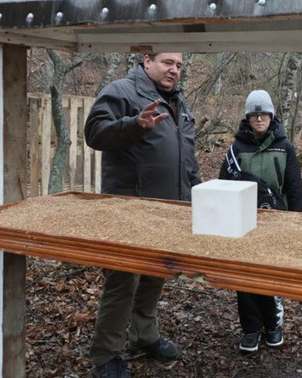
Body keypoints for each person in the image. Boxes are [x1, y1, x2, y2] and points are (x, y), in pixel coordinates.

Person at [84, 52, 201, 378]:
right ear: (147, 61)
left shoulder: (178, 102)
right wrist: (133, 124)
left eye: (179, 65)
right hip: (129, 210)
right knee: (123, 281)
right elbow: (94, 132)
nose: (174, 70)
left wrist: (197, 197)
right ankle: (106, 354)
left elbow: (187, 158)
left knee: (154, 275)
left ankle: (144, 335)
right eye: (167, 62)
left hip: (168, 211)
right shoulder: (122, 91)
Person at [218, 89, 302, 353]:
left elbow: (294, 187)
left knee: (270, 273)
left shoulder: (284, 146)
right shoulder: (237, 149)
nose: (259, 119)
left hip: (276, 221)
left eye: (264, 114)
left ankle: (273, 325)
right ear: (247, 117)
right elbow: (224, 185)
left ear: (271, 116)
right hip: (243, 221)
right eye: (254, 115)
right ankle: (251, 329)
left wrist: (299, 222)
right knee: (244, 275)